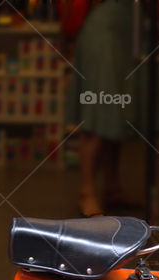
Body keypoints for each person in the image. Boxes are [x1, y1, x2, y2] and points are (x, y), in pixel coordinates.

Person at [62, 0, 144, 217]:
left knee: (115, 115)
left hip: (125, 32)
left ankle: (112, 187)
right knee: (97, 114)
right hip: (105, 33)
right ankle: (86, 191)